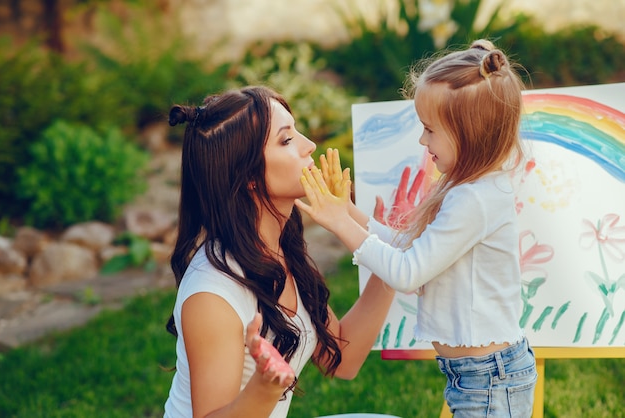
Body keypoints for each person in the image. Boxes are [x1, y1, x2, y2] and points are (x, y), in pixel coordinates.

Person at [295, 40, 538, 417]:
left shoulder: (475, 199)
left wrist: (341, 224)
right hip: (479, 376)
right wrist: (351, 213)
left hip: (491, 380)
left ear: (470, 134)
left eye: (430, 130)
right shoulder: (467, 191)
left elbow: (407, 274)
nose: (423, 141)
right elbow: (411, 249)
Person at [162, 85, 396, 418]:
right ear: (249, 178)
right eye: (287, 140)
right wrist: (265, 387)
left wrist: (391, 259)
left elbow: (342, 359)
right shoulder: (213, 294)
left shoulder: (280, 248)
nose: (310, 145)